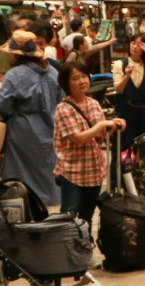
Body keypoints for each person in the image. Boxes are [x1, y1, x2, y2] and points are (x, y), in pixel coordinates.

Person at [0, 30, 63, 205]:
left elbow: (3, 107)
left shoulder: (14, 75)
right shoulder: (53, 72)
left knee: (21, 181)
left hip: (21, 136)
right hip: (51, 133)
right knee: (48, 178)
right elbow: (62, 101)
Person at [53, 64, 124, 229]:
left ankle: (84, 249)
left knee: (88, 217)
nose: (81, 81)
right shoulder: (63, 109)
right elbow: (78, 139)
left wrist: (113, 125)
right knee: (68, 216)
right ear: (66, 83)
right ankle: (67, 250)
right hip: (72, 172)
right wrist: (101, 126)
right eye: (75, 78)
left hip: (94, 170)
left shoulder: (94, 104)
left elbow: (99, 137)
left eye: (84, 76)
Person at [112, 34, 145, 150]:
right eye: (132, 43)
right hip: (126, 111)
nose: (135, 46)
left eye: (139, 44)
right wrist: (126, 76)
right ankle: (123, 168)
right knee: (124, 146)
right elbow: (118, 89)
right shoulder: (120, 64)